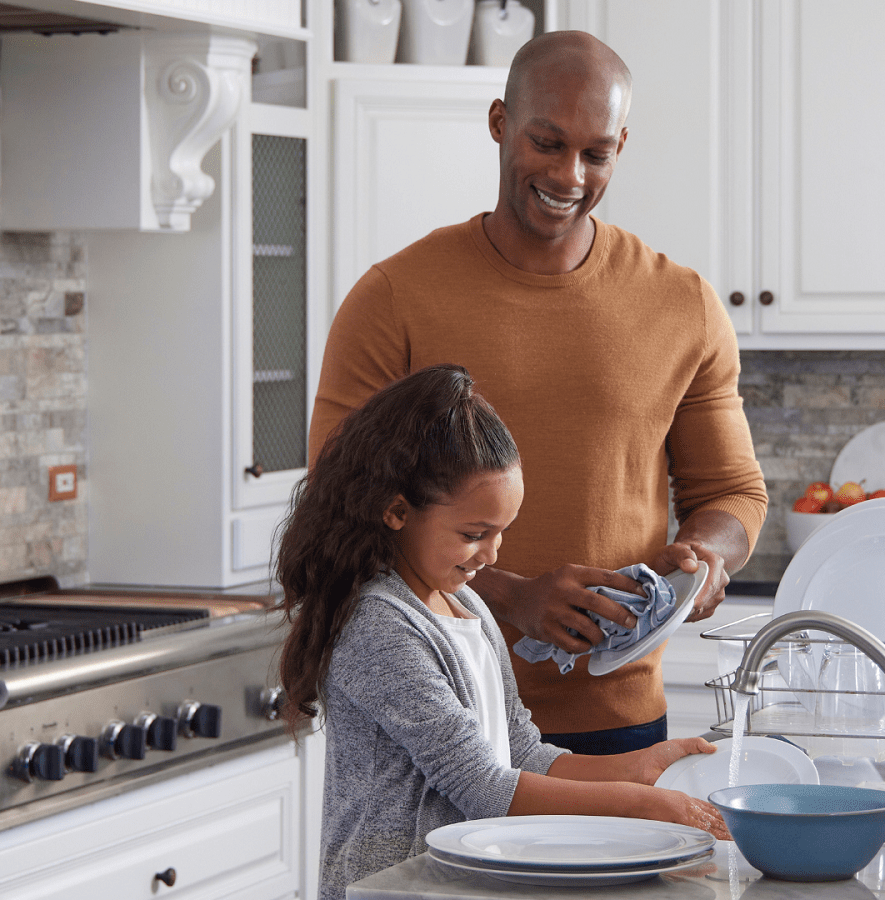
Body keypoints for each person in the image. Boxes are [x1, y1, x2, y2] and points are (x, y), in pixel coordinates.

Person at [307, 30, 767, 753]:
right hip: (436, 711)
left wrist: (704, 555)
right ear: (500, 124)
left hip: (618, 718)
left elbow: (735, 494)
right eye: (547, 144)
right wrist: (512, 598)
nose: (570, 175)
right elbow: (338, 512)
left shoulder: (683, 304)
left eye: (596, 153)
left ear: (620, 145)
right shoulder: (394, 298)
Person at [277, 365, 727, 900]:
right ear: (397, 511)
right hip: (394, 889)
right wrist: (645, 805)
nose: (492, 556)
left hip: (465, 884)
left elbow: (518, 751)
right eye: (474, 534)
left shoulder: (466, 604)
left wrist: (638, 768)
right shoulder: (378, 624)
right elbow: (484, 788)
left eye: (501, 532)